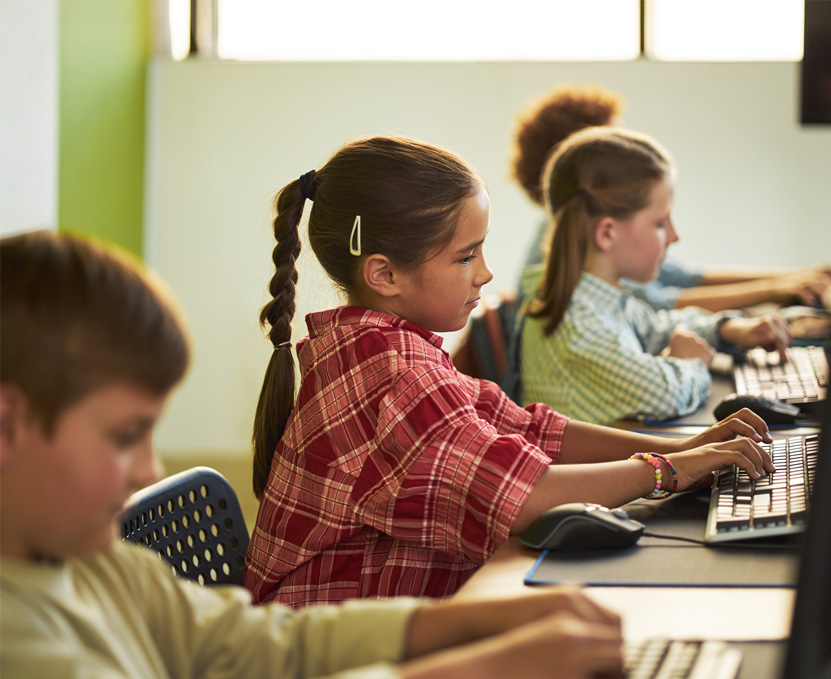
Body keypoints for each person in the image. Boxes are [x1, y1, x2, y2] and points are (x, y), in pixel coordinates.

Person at [0, 229, 633, 679]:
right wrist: (477, 673)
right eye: (124, 436)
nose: (146, 470)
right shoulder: (17, 647)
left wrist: (467, 624)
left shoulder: (101, 568)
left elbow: (253, 645)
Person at [246, 135, 776, 606]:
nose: (486, 273)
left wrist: (682, 448)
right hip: (341, 658)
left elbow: (529, 430)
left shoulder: (389, 348)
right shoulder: (392, 374)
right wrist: (666, 472)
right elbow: (523, 496)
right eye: (465, 257)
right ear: (384, 274)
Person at [519, 126, 794, 425]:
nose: (674, 236)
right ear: (607, 233)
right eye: (661, 223)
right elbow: (665, 394)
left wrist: (727, 329)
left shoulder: (598, 297)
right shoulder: (577, 326)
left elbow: (656, 328)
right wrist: (689, 362)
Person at [510, 83, 831, 312]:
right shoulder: (561, 252)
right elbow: (661, 304)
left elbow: (685, 278)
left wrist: (797, 276)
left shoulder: (581, 230)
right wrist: (776, 290)